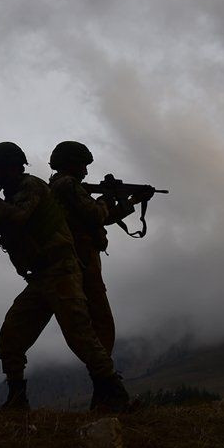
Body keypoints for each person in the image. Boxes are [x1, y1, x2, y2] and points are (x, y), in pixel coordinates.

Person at [0, 142, 130, 412]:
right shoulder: (7, 200)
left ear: (14, 168)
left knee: (80, 335)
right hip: (39, 278)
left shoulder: (32, 186)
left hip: (61, 271)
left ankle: (114, 393)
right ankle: (17, 398)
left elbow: (20, 216)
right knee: (11, 338)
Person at [47, 141, 147, 355]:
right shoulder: (67, 185)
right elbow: (96, 214)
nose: (85, 171)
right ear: (71, 163)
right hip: (81, 257)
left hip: (78, 257)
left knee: (91, 316)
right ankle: (105, 373)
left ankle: (103, 370)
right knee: (100, 316)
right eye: (82, 165)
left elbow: (98, 219)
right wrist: (106, 199)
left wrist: (131, 201)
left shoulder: (60, 186)